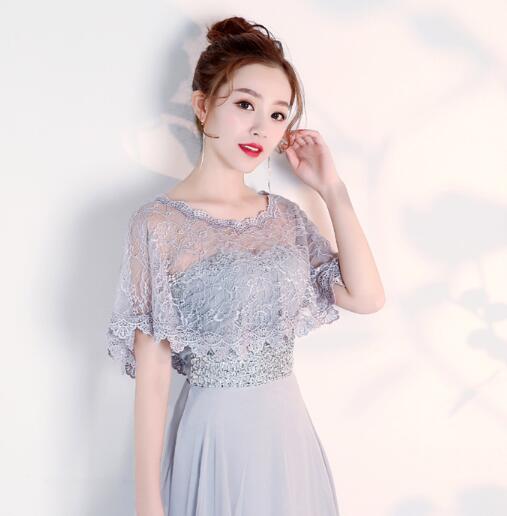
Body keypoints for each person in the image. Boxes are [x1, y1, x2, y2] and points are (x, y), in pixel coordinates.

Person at [106, 16, 385, 516]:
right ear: (202, 106)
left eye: (278, 115)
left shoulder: (285, 219)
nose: (261, 128)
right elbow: (153, 374)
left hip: (288, 438)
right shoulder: (158, 224)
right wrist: (149, 504)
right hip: (213, 439)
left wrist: (333, 189)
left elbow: (366, 297)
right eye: (244, 105)